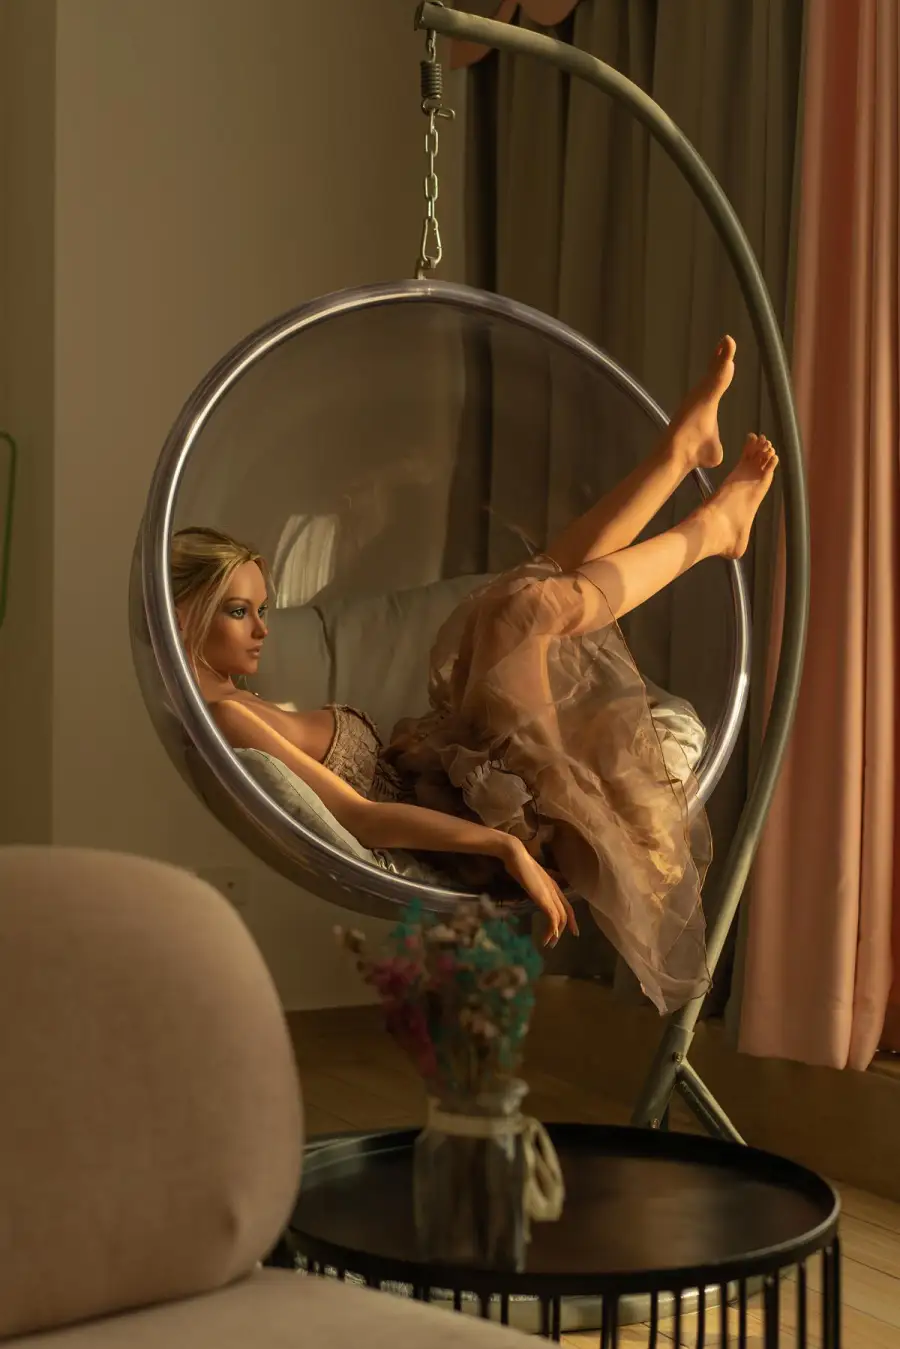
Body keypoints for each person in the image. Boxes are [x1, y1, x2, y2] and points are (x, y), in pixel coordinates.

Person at [171, 336, 777, 1014]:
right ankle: (712, 529)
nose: (262, 628)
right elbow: (361, 818)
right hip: (489, 810)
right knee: (523, 609)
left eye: (261, 609)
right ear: (185, 615)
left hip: (458, 769)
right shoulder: (227, 717)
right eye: (238, 611)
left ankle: (678, 455)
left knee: (508, 599)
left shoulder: (237, 703)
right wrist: (504, 847)